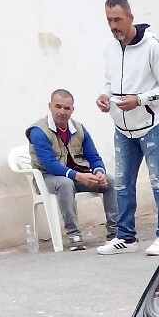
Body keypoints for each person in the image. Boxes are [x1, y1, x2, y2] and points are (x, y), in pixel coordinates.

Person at [97, 0, 159, 255]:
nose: (113, 25)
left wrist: (140, 100)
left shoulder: (152, 45)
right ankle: (126, 235)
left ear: (130, 17)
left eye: (117, 19)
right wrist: (105, 97)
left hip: (150, 125)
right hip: (122, 128)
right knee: (122, 183)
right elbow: (110, 82)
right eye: (109, 20)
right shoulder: (109, 47)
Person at [25, 89, 114, 252]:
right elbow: (50, 164)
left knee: (110, 180)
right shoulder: (38, 131)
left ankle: (115, 231)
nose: (61, 112)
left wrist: (99, 171)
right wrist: (78, 176)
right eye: (57, 106)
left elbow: (94, 157)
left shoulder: (79, 128)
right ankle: (74, 234)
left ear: (72, 109)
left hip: (76, 176)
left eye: (67, 108)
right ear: (50, 106)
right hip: (48, 179)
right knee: (65, 183)